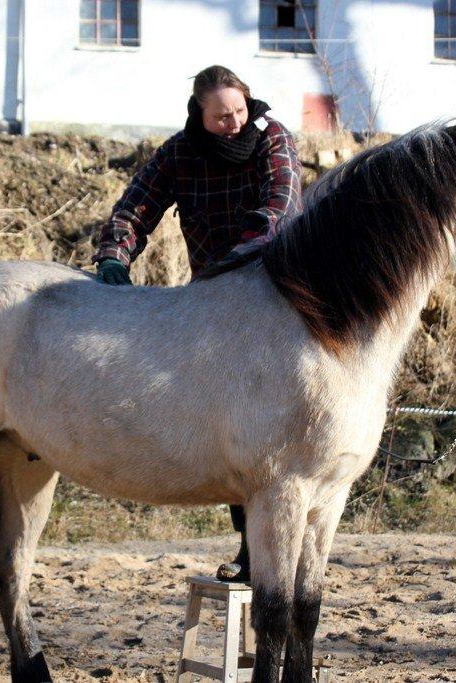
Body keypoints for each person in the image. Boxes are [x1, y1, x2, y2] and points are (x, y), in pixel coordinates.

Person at [91, 65, 303, 582]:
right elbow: (137, 206)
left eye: (237, 111)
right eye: (219, 116)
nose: (232, 123)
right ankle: (248, 545)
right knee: (232, 424)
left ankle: (265, 549)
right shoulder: (180, 153)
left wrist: (244, 254)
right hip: (212, 299)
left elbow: (281, 204)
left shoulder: (273, 138)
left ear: (248, 104)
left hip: (275, 290)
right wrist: (116, 254)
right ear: (199, 115)